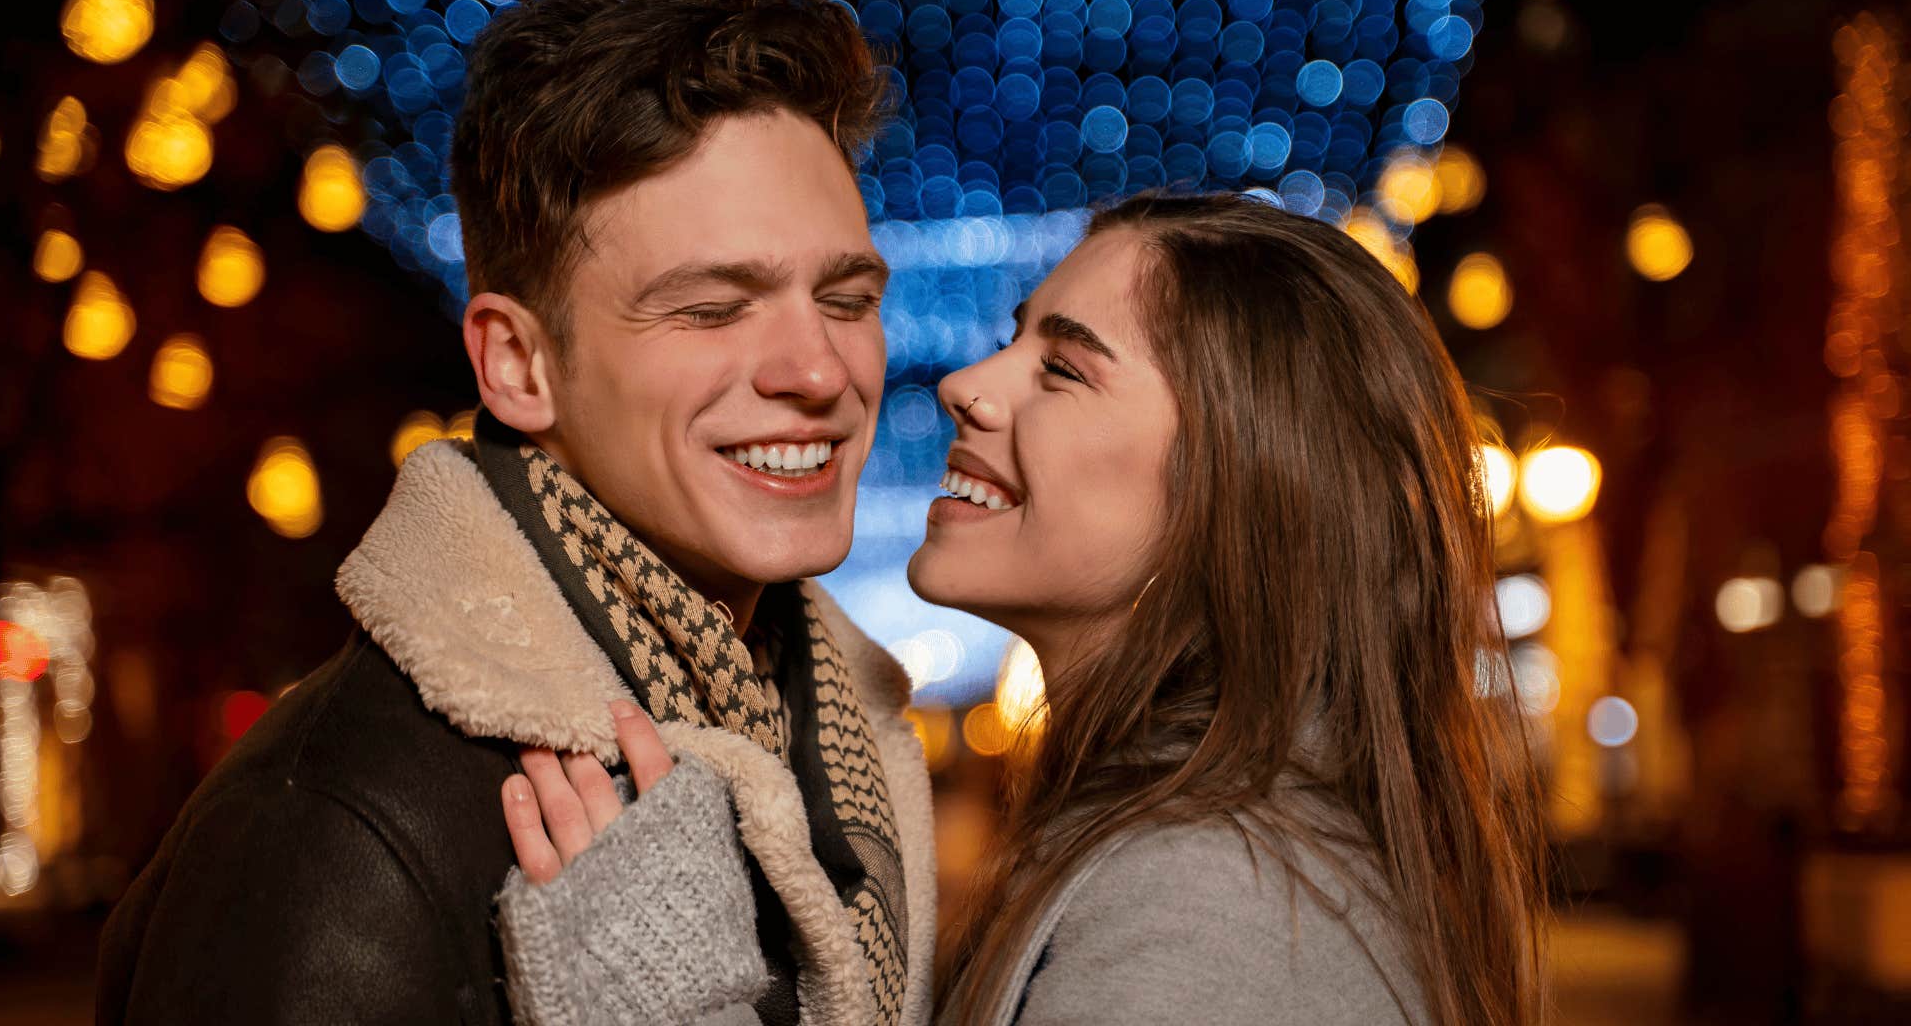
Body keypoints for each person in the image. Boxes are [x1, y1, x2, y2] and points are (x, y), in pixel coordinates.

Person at [97, 0, 936, 1026]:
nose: (819, 372)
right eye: (714, 307)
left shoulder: (838, 751)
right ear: (518, 367)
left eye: (846, 299)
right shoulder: (336, 831)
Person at [498, 192, 1549, 1026]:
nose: (967, 384)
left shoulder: (1212, 906)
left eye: (1064, 369)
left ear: (1237, 482)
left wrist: (658, 993)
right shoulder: (1179, 838)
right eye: (1016, 339)